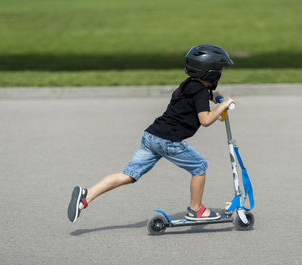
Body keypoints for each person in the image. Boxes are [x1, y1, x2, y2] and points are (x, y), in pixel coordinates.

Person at [67, 44, 236, 223]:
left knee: (129, 174)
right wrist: (222, 105)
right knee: (199, 167)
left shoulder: (189, 85)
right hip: (168, 141)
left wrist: (215, 97)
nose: (222, 73)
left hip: (151, 136)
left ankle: (86, 197)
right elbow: (206, 120)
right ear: (210, 73)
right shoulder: (200, 92)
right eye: (221, 69)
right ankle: (196, 210)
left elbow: (198, 99)